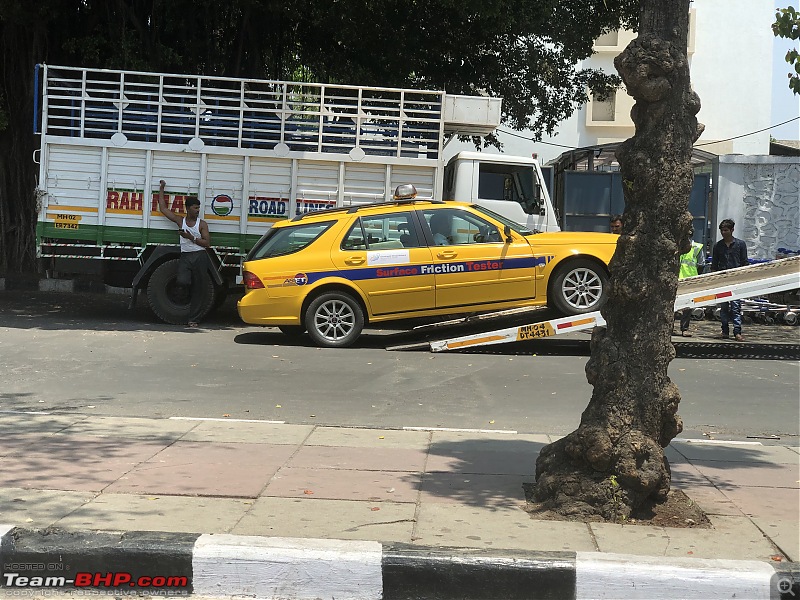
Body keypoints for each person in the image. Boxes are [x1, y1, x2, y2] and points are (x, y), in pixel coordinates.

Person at [156, 180, 211, 328]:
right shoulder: (181, 221)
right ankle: (185, 301)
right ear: (187, 208)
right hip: (186, 256)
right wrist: (162, 189)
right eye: (195, 208)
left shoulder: (202, 224)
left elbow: (207, 243)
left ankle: (193, 319)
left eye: (198, 208)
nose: (197, 210)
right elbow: (163, 208)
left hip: (200, 256)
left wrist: (191, 237)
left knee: (199, 289)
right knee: (183, 281)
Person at [711, 218, 748, 341]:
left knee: (736, 306)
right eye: (722, 230)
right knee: (724, 307)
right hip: (723, 279)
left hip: (736, 279)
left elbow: (744, 262)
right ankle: (725, 331)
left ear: (732, 230)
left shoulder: (740, 245)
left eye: (726, 230)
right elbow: (714, 264)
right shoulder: (718, 246)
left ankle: (737, 332)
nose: (723, 232)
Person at [677, 233, 706, 337]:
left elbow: (701, 265)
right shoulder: (676, 246)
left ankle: (683, 328)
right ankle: (681, 329)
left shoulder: (696, 247)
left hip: (688, 280)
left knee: (686, 306)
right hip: (683, 279)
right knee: (680, 306)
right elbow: (701, 265)